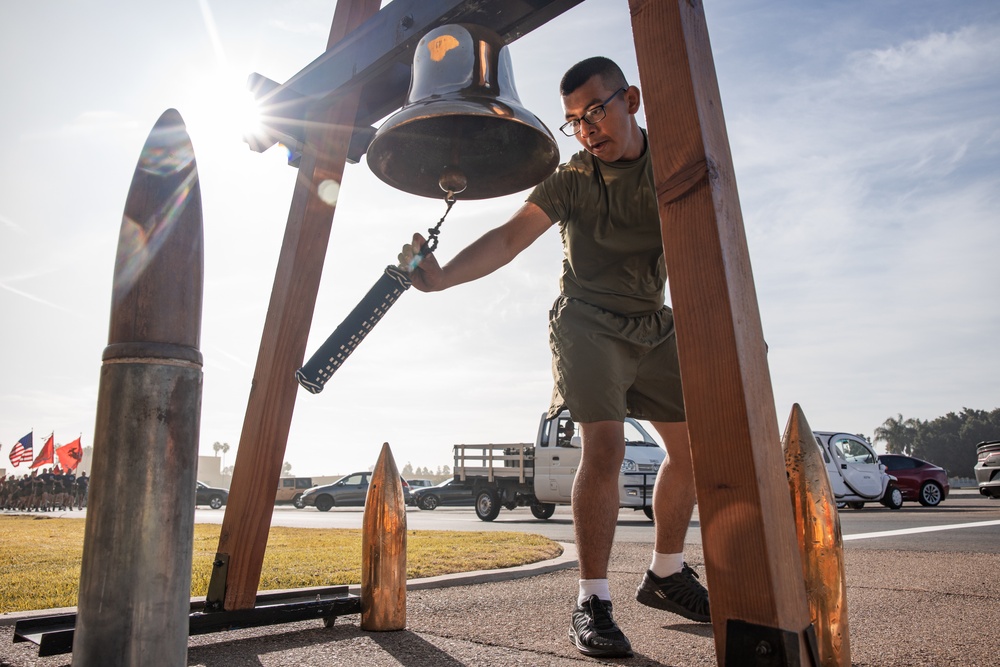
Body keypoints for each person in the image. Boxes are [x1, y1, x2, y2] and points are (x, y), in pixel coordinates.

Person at [403, 56, 710, 659]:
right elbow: (509, 238)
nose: (588, 128)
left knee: (692, 450)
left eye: (596, 110)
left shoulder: (673, 161)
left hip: (654, 324)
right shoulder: (572, 179)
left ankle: (667, 573)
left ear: (633, 100)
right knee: (607, 446)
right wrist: (439, 279)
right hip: (588, 322)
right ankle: (591, 601)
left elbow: (712, 234)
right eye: (575, 120)